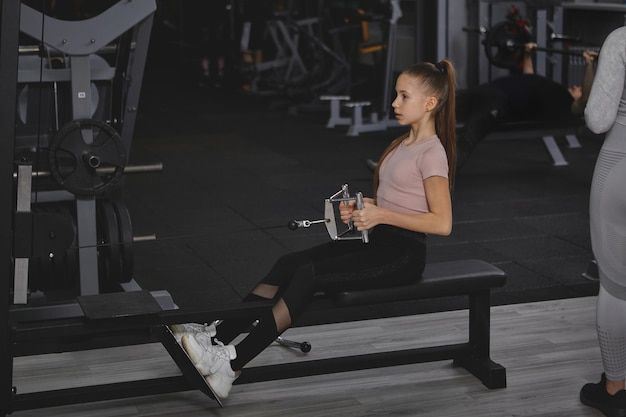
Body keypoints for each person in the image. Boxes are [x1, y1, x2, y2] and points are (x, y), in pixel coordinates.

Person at [172, 60, 458, 399]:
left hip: (402, 254)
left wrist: (381, 215)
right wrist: (364, 204)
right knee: (288, 263)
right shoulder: (400, 144)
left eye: (403, 96)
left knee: (307, 274)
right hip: (375, 241)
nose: (394, 103)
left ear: (430, 103)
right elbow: (396, 202)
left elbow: (442, 223)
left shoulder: (432, 153)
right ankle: (216, 338)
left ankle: (229, 366)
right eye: (395, 95)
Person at [579, 26, 626, 417]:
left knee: (615, 285)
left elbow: (597, 120)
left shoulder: (622, 39)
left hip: (621, 170)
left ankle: (614, 389)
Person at [455, 43, 597, 168]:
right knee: (442, 102)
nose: (577, 86)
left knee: (468, 136)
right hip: (487, 90)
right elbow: (529, 76)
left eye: (580, 90)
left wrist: (589, 65)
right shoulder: (554, 90)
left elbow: (585, 99)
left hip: (499, 102)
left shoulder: (566, 105)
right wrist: (528, 54)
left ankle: (441, 182)